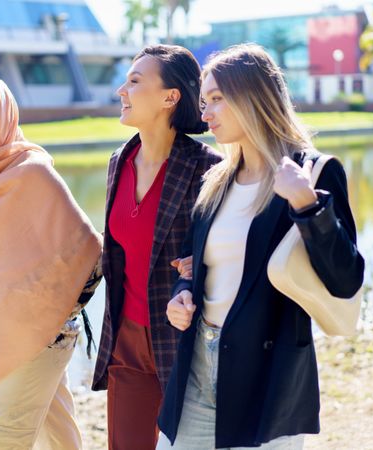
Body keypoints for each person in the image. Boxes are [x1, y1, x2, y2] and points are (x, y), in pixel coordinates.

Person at [157, 43, 365, 449]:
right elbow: (194, 266)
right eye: (204, 101)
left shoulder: (312, 173)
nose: (205, 113)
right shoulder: (215, 182)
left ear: (253, 95)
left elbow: (346, 277)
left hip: (269, 372)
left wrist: (307, 204)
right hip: (198, 360)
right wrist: (180, 297)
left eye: (217, 99)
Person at [0, 74, 102, 450]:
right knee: (59, 436)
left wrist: (51, 314)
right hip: (6, 339)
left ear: (9, 113)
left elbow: (88, 249)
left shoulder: (32, 170)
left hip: (40, 339)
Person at [91, 45, 221, 450]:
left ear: (170, 97)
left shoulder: (208, 168)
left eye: (134, 81)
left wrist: (198, 265)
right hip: (125, 340)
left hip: (182, 342)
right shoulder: (119, 160)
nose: (121, 91)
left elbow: (226, 252)